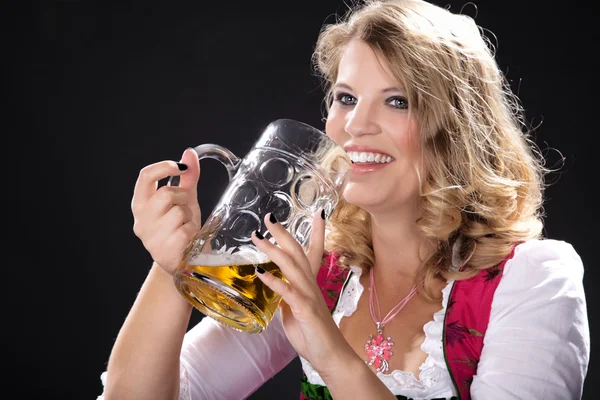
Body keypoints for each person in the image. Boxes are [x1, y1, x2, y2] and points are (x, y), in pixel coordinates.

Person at [97, 0, 590, 399]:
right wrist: (174, 265)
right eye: (346, 97)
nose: (354, 126)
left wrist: (329, 350)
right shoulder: (318, 267)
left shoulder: (534, 280)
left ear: (456, 128)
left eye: (398, 101)